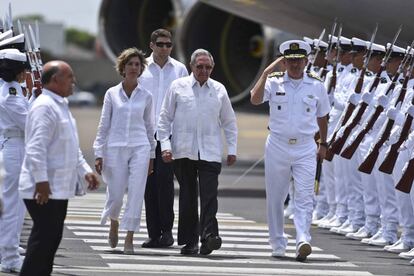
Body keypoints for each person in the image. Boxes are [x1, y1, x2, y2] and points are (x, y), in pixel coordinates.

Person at [250, 40, 330, 261]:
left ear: (306, 62)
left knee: (305, 196)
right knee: (276, 197)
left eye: (299, 61)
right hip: (277, 145)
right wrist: (266, 72)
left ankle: (303, 239)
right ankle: (277, 242)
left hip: (305, 146)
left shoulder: (316, 85)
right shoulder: (274, 82)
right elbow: (255, 99)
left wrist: (323, 143)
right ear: (283, 62)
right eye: (291, 61)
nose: (295, 65)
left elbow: (322, 115)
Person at [18, 60, 99, 276]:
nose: (74, 81)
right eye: (70, 77)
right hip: (44, 189)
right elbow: (35, 147)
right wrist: (41, 181)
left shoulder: (60, 105)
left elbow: (71, 147)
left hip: (57, 189)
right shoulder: (44, 106)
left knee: (51, 240)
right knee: (41, 242)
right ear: (55, 80)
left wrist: (85, 171)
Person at [157, 48, 237, 255]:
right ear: (191, 67)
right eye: (199, 66)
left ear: (212, 68)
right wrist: (165, 146)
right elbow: (164, 119)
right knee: (188, 197)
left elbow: (229, 122)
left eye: (208, 67)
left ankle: (209, 237)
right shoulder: (178, 86)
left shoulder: (219, 89)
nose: (203, 70)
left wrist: (232, 149)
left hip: (210, 151)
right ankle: (189, 240)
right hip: (183, 150)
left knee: (209, 196)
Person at [93, 48, 156, 254]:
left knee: (136, 193)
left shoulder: (146, 96)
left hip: (140, 147)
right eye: (130, 64)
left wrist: (152, 156)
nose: (134, 68)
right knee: (117, 194)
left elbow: (149, 127)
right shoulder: (112, 93)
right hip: (115, 147)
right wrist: (98, 152)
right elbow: (104, 125)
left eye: (137, 64)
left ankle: (129, 236)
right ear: (123, 67)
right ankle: (114, 221)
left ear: (141, 69)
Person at [139, 29, 188, 248]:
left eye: (168, 44)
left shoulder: (179, 69)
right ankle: (153, 233)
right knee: (148, 185)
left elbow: (186, 101)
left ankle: (167, 232)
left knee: (165, 183)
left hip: (168, 136)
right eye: (160, 44)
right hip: (145, 135)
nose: (165, 48)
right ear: (151, 45)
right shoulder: (140, 68)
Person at [0, 48, 29, 273]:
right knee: (13, 205)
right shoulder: (10, 92)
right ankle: (9, 257)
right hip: (16, 146)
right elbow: (27, 122)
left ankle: (7, 248)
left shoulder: (13, 89)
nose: (25, 74)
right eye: (22, 70)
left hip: (13, 145)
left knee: (13, 203)